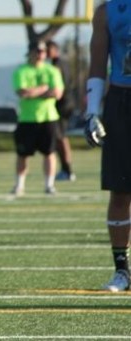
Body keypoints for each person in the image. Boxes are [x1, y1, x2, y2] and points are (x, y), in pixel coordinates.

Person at [83, 0, 130, 292]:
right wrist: (92, 112)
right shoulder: (107, 11)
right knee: (121, 190)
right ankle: (122, 271)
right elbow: (98, 64)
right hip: (122, 102)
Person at [10, 40, 64, 196]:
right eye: (37, 51)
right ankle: (19, 185)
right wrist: (43, 89)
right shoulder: (22, 71)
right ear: (31, 53)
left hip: (48, 117)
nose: (40, 55)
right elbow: (23, 93)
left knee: (49, 152)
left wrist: (34, 92)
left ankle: (49, 185)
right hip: (27, 118)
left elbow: (57, 93)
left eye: (43, 52)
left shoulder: (52, 70)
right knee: (23, 154)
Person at [46, 40, 77, 182]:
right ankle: (66, 169)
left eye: (48, 50)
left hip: (62, 104)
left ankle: (67, 170)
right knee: (60, 136)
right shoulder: (63, 63)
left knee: (60, 137)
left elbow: (58, 87)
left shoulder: (56, 65)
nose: (45, 53)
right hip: (67, 102)